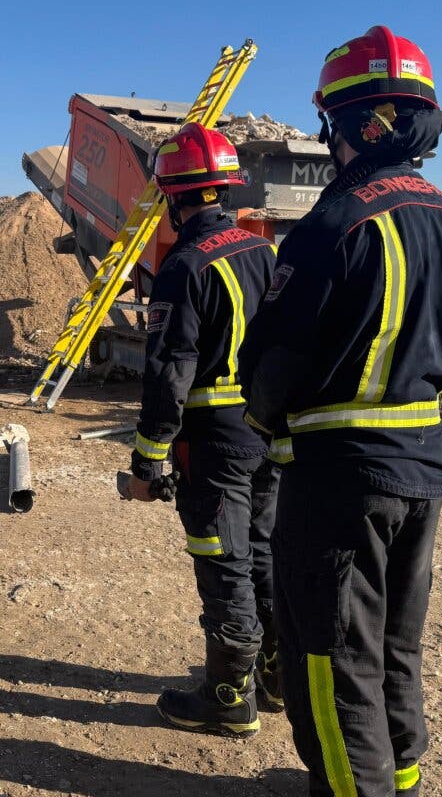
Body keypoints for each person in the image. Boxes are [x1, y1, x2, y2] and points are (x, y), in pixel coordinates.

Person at [239, 26, 442, 796]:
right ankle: (396, 780)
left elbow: (273, 368)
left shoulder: (332, 225)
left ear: (348, 126)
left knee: (331, 662)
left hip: (339, 479)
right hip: (423, 465)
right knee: (392, 648)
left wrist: (260, 426)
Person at [121, 122, 281, 737]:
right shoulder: (265, 253)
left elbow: (169, 372)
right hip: (267, 432)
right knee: (263, 552)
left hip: (214, 441)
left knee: (224, 561)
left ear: (172, 196)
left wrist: (148, 457)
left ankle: (225, 697)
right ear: (225, 190)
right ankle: (276, 676)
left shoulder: (184, 265)